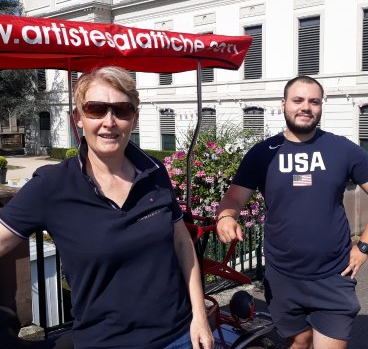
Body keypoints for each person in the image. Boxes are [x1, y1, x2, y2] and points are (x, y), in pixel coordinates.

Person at [0, 66, 213, 349]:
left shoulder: (154, 172)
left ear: (134, 119)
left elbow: (183, 244)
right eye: (96, 109)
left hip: (178, 336)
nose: (109, 121)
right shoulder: (52, 185)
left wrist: (199, 317)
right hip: (104, 342)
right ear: (78, 118)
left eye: (122, 110)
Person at [216, 75, 368, 349]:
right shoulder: (262, 153)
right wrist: (226, 217)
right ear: (283, 104)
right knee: (298, 341)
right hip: (282, 275)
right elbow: (234, 197)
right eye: (298, 100)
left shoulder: (342, 149)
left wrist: (364, 247)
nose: (306, 107)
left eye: (314, 101)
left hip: (333, 275)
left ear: (321, 106)